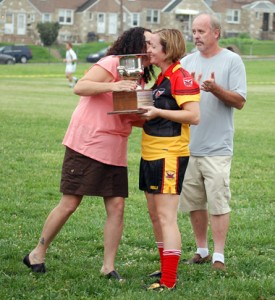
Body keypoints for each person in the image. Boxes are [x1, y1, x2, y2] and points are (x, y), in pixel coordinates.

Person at [23, 27, 155, 281]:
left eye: (153, 44)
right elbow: (81, 86)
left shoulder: (136, 75)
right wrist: (115, 85)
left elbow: (125, 114)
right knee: (70, 202)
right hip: (87, 142)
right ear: (135, 44)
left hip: (114, 147)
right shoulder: (112, 63)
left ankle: (108, 266)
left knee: (117, 206)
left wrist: (151, 116)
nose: (151, 48)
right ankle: (37, 252)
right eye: (147, 43)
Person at [179, 13, 247, 271]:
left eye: (201, 31)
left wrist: (215, 89)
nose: (195, 36)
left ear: (216, 33)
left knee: (217, 201)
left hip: (217, 147)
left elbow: (240, 101)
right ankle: (202, 250)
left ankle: (219, 255)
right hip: (188, 145)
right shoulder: (186, 62)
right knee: (194, 202)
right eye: (194, 31)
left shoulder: (232, 61)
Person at [139, 29, 200, 291]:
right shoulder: (161, 77)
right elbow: (157, 114)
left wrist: (157, 111)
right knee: (155, 216)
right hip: (150, 153)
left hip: (170, 155)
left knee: (166, 217)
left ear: (167, 48)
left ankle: (169, 280)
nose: (148, 49)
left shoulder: (180, 77)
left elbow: (193, 116)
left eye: (152, 45)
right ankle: (165, 268)